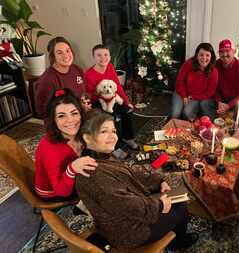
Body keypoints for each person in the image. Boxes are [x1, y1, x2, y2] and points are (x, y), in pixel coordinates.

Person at [76, 109, 198, 250]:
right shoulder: (93, 174)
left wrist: (158, 181)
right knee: (181, 206)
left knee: (173, 197)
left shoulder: (96, 158)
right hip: (129, 233)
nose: (113, 137)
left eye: (114, 131)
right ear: (87, 138)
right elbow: (125, 205)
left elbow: (129, 174)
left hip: (124, 218)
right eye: (104, 132)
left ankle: (176, 235)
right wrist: (159, 205)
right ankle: (178, 243)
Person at [34, 88, 97, 199]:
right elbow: (61, 191)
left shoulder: (80, 131)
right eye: (61, 116)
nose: (70, 120)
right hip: (52, 192)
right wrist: (72, 169)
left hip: (68, 176)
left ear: (81, 114)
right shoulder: (50, 149)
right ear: (53, 120)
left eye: (74, 113)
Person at [84, 44, 138, 150]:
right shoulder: (89, 75)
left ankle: (128, 137)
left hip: (112, 97)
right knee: (114, 118)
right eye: (99, 55)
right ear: (94, 57)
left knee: (127, 111)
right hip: (98, 102)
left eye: (106, 55)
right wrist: (101, 95)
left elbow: (117, 86)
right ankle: (116, 145)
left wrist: (126, 102)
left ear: (109, 56)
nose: (103, 58)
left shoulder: (110, 67)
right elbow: (89, 96)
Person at [35, 37, 91, 118]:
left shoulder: (76, 69)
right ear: (52, 56)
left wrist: (84, 102)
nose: (66, 55)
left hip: (81, 114)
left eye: (68, 50)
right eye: (59, 53)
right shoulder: (47, 80)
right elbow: (42, 111)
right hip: (62, 122)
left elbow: (84, 92)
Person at [171, 42, 218, 120]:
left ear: (211, 56)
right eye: (201, 55)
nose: (204, 58)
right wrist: (184, 96)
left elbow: (210, 92)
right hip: (181, 92)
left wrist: (193, 97)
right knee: (175, 114)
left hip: (195, 97)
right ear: (197, 56)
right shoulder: (189, 63)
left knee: (187, 114)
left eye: (207, 55)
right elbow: (179, 81)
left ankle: (189, 126)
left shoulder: (214, 72)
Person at [215, 39, 239, 123]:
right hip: (222, 100)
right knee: (206, 103)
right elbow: (214, 87)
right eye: (221, 52)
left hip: (236, 100)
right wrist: (219, 102)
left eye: (227, 51)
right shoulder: (216, 65)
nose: (224, 54)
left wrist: (228, 106)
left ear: (233, 51)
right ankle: (213, 127)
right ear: (219, 53)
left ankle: (233, 131)